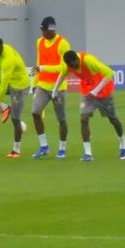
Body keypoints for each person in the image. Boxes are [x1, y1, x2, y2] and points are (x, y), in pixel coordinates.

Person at [56, 49, 125, 162]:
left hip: (104, 92)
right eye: (70, 66)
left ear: (77, 59)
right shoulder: (68, 65)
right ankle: (88, 153)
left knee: (113, 119)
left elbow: (110, 73)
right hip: (88, 93)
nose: (73, 69)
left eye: (73, 65)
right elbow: (62, 75)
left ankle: (123, 143)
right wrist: (55, 91)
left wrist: (95, 91)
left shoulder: (88, 60)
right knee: (83, 119)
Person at [31, 16, 71, 159]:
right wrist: (34, 84)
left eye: (45, 30)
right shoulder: (39, 42)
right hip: (42, 85)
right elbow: (38, 63)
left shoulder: (63, 44)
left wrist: (43, 68)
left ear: (52, 29)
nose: (43, 33)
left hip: (58, 87)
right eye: (42, 29)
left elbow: (63, 67)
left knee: (61, 119)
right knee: (35, 112)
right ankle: (44, 146)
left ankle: (62, 148)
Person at [0, 36, 30, 160]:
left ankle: (16, 150)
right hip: (10, 84)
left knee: (15, 119)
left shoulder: (8, 58)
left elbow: (4, 81)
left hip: (20, 87)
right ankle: (6, 108)